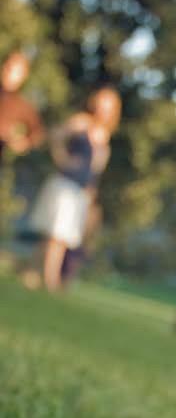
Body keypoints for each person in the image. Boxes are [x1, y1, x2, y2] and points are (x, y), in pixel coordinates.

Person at [32, 86, 121, 291]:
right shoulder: (81, 122)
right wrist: (62, 157)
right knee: (57, 237)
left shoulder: (104, 135)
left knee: (57, 237)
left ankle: (31, 273)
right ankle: (51, 282)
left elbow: (95, 169)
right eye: (101, 103)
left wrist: (91, 192)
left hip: (81, 191)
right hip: (65, 184)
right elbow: (55, 134)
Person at [0, 50, 44, 159]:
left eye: (15, 70)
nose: (8, 71)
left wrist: (23, 143)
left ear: (23, 76)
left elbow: (38, 134)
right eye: (8, 66)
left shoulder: (22, 105)